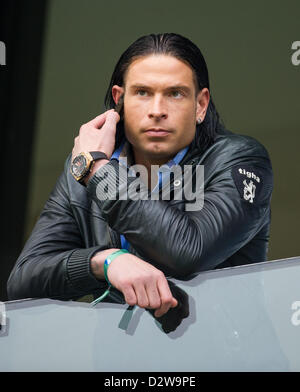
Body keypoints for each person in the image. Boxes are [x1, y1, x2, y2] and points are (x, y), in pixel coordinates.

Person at [7, 33, 273, 318]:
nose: (157, 111)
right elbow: (23, 281)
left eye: (175, 93)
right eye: (143, 92)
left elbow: (188, 251)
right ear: (119, 100)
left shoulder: (240, 158)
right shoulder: (85, 168)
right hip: (124, 358)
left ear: (201, 105)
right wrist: (105, 262)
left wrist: (98, 172)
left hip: (225, 359)